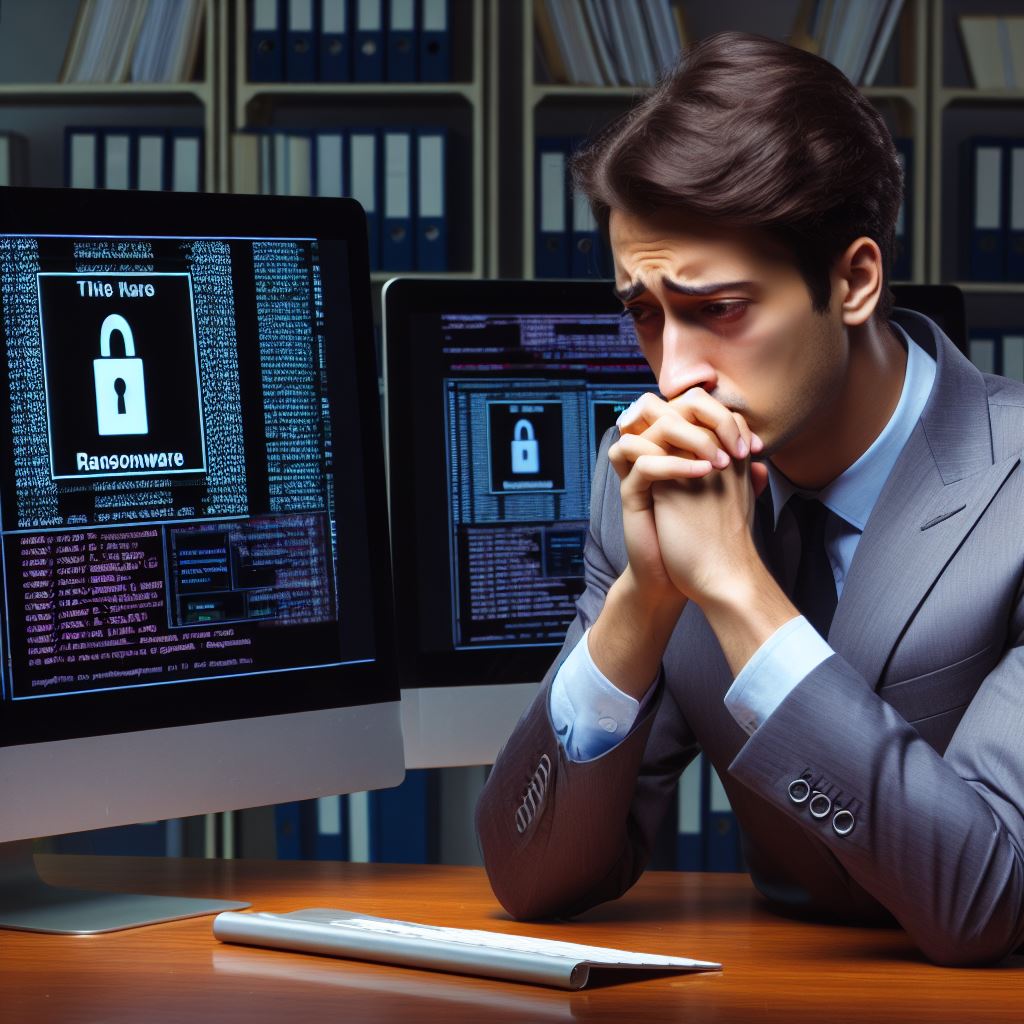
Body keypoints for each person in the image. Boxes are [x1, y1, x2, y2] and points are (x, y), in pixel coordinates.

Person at [475, 32, 1024, 967]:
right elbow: (531, 878)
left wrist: (737, 591)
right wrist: (641, 607)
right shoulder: (648, 478)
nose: (676, 376)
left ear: (853, 281)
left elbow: (989, 904)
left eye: (719, 308)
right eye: (644, 313)